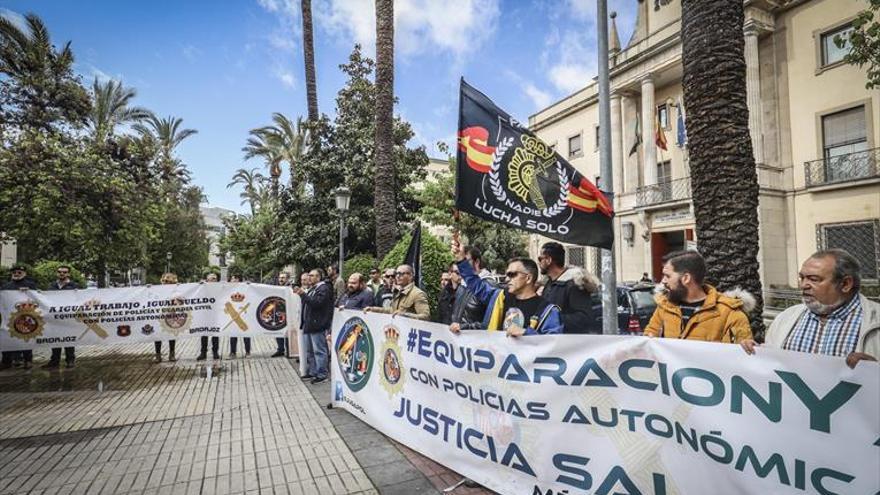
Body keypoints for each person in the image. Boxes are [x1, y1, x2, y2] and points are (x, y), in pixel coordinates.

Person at [741, 249, 879, 368]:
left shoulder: (874, 320)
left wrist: (873, 371)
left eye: (814, 279)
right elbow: (772, 366)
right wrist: (757, 352)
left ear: (845, 284)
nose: (804, 285)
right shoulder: (786, 318)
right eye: (802, 278)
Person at [450, 240, 563, 336]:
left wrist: (526, 333)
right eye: (507, 274)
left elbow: (553, 346)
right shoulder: (500, 298)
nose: (507, 279)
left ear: (528, 278)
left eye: (512, 274)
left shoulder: (548, 311)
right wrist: (461, 259)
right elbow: (475, 284)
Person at [644, 250, 753, 343]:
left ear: (686, 278)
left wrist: (746, 346)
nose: (663, 281)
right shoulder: (664, 307)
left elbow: (742, 358)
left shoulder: (730, 313)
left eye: (668, 276)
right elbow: (649, 337)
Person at [538, 242, 600, 334]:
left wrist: (554, 318)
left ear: (548, 260)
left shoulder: (574, 283)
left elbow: (584, 318)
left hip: (569, 343)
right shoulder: (549, 283)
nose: (538, 263)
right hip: (551, 341)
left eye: (540, 259)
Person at [292, 268, 334, 383]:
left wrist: (302, 294)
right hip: (309, 324)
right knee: (310, 351)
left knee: (319, 350)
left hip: (317, 324)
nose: (309, 277)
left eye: (312, 275)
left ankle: (322, 374)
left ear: (319, 277)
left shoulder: (323, 288)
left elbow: (316, 303)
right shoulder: (313, 289)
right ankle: (313, 372)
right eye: (309, 275)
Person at [0, 265, 37, 370]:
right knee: (7, 338)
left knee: (26, 338)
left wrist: (29, 292)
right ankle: (6, 361)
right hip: (9, 317)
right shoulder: (6, 286)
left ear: (24, 274)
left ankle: (28, 360)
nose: (16, 274)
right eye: (14, 272)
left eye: (19, 272)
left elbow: (37, 299)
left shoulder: (31, 285)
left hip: (26, 317)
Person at [44, 265, 80, 369]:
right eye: (60, 272)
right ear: (57, 273)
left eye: (64, 272)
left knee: (69, 339)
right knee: (55, 340)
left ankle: (70, 360)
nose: (62, 274)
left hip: (68, 318)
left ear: (68, 274)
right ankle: (54, 361)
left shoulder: (74, 286)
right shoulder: (52, 286)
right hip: (55, 318)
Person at [365, 264, 430, 320]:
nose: (398, 276)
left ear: (410, 276)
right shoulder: (398, 292)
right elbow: (392, 310)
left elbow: (425, 317)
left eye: (401, 274)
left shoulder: (418, 294)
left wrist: (405, 315)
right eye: (397, 274)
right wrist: (373, 310)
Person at [460, 246, 498, 326]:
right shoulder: (463, 285)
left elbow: (491, 321)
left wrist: (466, 328)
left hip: (475, 337)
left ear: (477, 262)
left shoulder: (489, 285)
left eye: (466, 262)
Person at [155, 272, 178, 363]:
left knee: (171, 334)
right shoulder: (157, 289)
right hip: (160, 314)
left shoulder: (176, 289)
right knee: (158, 335)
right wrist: (148, 288)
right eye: (164, 281)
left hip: (171, 314)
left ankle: (172, 354)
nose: (165, 282)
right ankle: (158, 355)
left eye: (168, 281)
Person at [197, 272, 220, 361]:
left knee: (215, 334)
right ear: (207, 280)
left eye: (214, 278)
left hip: (215, 314)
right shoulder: (202, 287)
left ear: (217, 280)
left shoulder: (219, 288)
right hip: (205, 314)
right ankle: (203, 353)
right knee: (204, 333)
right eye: (210, 279)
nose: (212, 280)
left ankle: (215, 352)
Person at [228, 274, 250, 357]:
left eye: (234, 278)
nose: (232, 280)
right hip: (232, 314)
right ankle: (233, 352)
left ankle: (247, 351)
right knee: (233, 333)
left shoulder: (244, 287)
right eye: (232, 278)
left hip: (243, 313)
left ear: (238, 279)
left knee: (246, 333)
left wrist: (249, 285)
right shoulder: (227, 288)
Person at [272, 271, 291, 357]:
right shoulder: (276, 288)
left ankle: (289, 351)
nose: (281, 279)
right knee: (278, 331)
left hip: (288, 313)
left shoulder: (291, 288)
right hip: (278, 312)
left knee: (287, 333)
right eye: (280, 278)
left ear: (287, 279)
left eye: (283, 278)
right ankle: (280, 349)